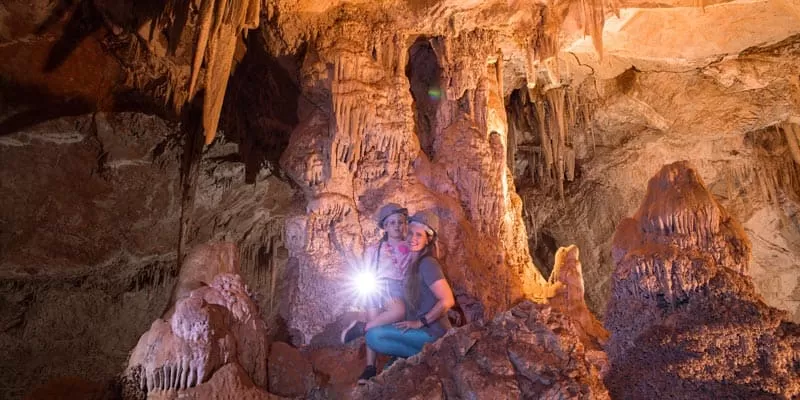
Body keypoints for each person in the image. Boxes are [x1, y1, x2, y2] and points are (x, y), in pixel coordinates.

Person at [364, 210, 455, 365]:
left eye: (419, 235)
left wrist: (420, 322)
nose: (413, 238)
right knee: (389, 367)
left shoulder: (428, 264)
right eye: (411, 233)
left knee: (374, 336)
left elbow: (447, 300)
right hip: (419, 332)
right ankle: (414, 359)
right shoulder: (411, 264)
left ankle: (434, 355)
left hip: (432, 333)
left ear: (428, 239)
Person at [341, 203, 411, 384]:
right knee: (384, 319)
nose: (397, 226)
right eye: (392, 222)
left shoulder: (410, 247)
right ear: (385, 227)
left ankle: (361, 327)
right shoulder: (375, 249)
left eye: (400, 222)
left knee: (389, 318)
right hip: (378, 287)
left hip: (397, 288)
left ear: (405, 225)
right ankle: (370, 367)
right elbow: (367, 268)